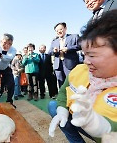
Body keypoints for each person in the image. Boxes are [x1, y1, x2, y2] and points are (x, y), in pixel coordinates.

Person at [48, 10, 117, 143]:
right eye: (85, 54)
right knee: (54, 106)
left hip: (108, 135)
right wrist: (62, 111)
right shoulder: (80, 70)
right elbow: (63, 92)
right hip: (80, 120)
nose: (85, 61)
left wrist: (97, 125)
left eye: (92, 55)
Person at [48, 22, 80, 88]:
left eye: (60, 29)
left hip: (70, 65)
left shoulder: (74, 37)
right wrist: (54, 51)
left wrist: (68, 49)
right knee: (61, 85)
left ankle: (72, 98)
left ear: (65, 29)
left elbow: (80, 46)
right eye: (57, 31)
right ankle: (63, 98)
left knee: (72, 83)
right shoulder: (54, 41)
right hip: (58, 66)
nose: (59, 31)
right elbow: (49, 52)